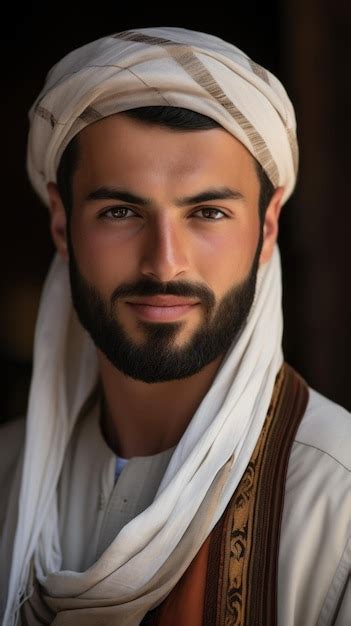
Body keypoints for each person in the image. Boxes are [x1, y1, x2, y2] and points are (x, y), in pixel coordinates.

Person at [0, 26, 350, 626]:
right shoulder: (6, 474)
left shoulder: (337, 499)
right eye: (120, 211)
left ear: (266, 228)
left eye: (207, 212)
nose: (164, 262)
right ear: (61, 224)